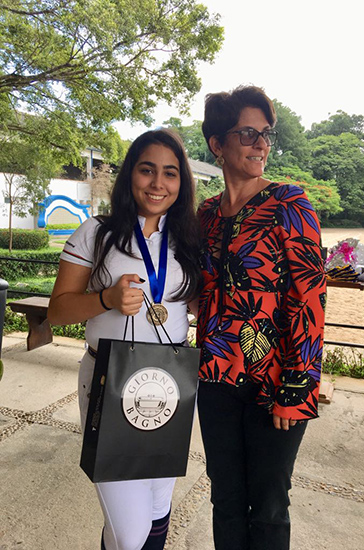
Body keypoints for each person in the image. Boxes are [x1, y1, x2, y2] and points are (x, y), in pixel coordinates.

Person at [48, 129, 200, 550]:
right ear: (130, 174)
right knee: (130, 532)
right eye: (147, 170)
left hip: (170, 384)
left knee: (157, 511)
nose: (158, 183)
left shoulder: (188, 240)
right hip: (110, 381)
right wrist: (106, 299)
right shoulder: (96, 233)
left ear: (181, 183)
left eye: (170, 173)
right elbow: (57, 311)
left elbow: (196, 303)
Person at [196, 86, 326, 550]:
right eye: (248, 133)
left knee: (269, 505)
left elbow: (310, 297)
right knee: (225, 499)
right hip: (215, 379)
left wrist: (298, 386)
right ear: (217, 143)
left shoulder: (290, 204)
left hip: (275, 383)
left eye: (266, 134)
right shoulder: (206, 215)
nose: (261, 144)